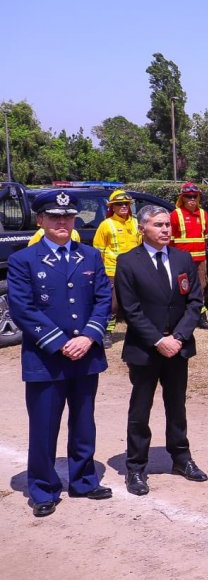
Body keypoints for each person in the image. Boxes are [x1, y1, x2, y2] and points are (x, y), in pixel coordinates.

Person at [9, 191, 112, 517]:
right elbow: (23, 309)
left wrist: (89, 337)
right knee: (44, 426)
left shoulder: (90, 256)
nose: (62, 222)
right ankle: (43, 488)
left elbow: (103, 300)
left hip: (85, 355)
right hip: (45, 358)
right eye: (54, 217)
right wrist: (58, 342)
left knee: (84, 423)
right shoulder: (23, 260)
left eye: (68, 217)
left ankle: (83, 480)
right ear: (40, 220)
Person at [115, 205, 208, 495]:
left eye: (167, 224)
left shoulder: (182, 258)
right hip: (145, 349)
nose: (166, 229)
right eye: (158, 225)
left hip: (177, 348)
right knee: (140, 410)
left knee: (176, 406)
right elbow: (130, 310)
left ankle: (181, 458)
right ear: (142, 228)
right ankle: (136, 468)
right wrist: (159, 340)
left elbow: (195, 302)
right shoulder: (128, 262)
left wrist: (178, 337)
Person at [92, 189, 142, 338]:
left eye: (126, 203)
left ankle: (139, 331)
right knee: (112, 305)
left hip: (134, 271)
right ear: (112, 207)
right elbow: (98, 250)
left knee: (136, 302)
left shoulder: (136, 222)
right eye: (119, 204)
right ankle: (107, 332)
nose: (124, 206)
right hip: (112, 271)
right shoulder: (106, 225)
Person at [169, 182, 208, 330]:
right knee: (180, 288)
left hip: (200, 260)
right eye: (188, 196)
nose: (192, 199)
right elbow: (170, 240)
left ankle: (201, 318)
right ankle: (180, 318)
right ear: (182, 198)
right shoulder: (175, 215)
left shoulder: (203, 214)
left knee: (200, 288)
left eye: (194, 196)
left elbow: (205, 237)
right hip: (181, 260)